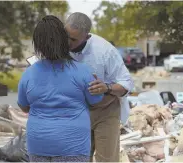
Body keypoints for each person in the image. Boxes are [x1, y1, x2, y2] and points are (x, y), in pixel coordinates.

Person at [17, 15, 103, 162]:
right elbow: (95, 101)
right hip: (73, 145)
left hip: (38, 144)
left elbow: (24, 106)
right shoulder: (83, 71)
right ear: (64, 39)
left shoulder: (29, 74)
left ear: (38, 44)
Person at [65, 12, 134, 162]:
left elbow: (126, 84)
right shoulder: (58, 44)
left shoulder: (104, 51)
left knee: (107, 159)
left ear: (86, 36)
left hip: (106, 111)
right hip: (76, 112)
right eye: (66, 36)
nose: (67, 42)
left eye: (73, 39)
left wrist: (107, 87)